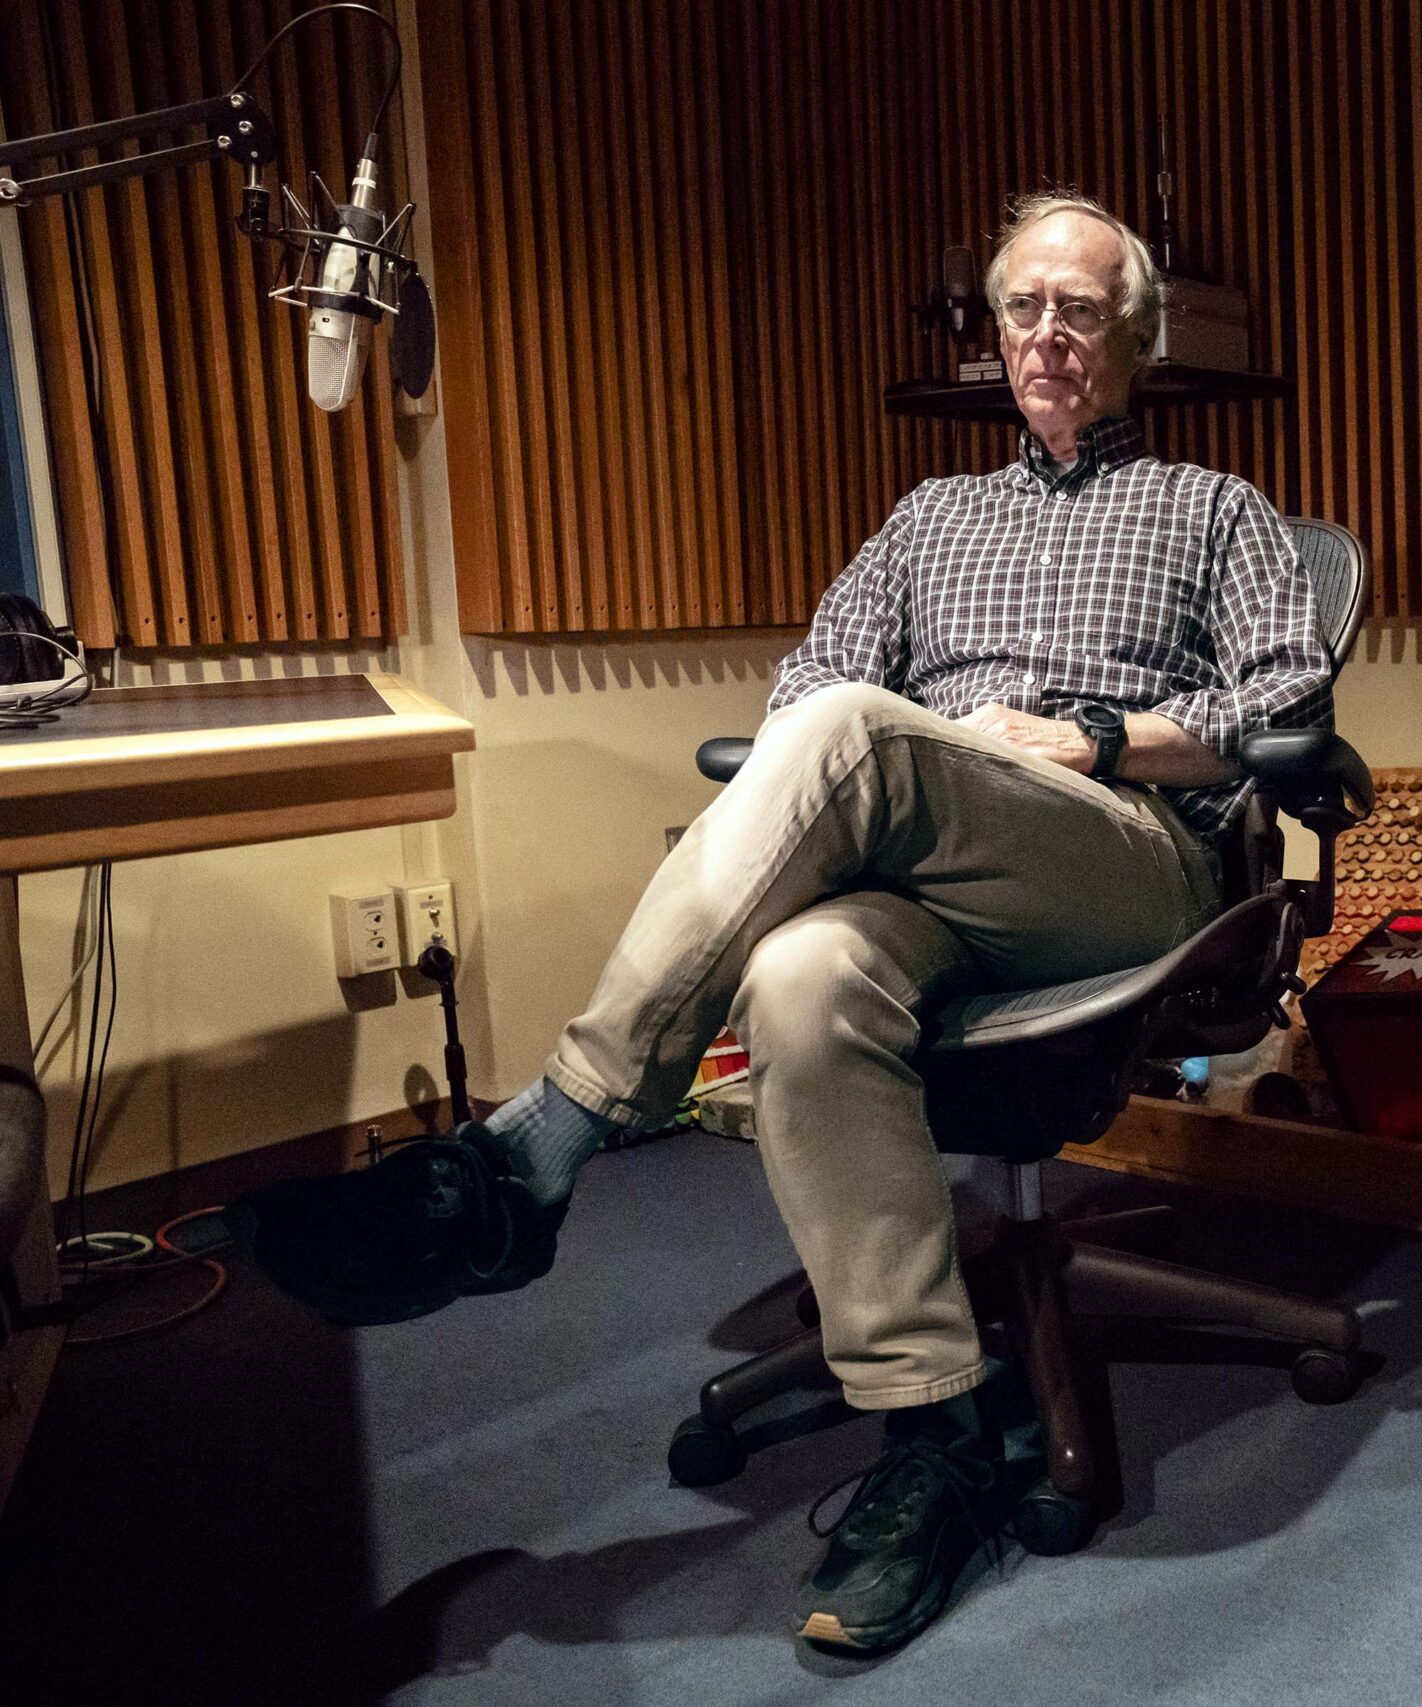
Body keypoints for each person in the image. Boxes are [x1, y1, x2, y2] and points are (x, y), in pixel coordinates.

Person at [229, 192, 1333, 1655]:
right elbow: (804, 689)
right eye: (1024, 307)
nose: (1049, 335)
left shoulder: (1215, 508)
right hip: (927, 858)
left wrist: (1093, 739)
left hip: (1126, 863)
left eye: (1079, 308)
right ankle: (931, 1439)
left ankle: (539, 1151)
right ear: (994, 334)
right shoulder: (928, 519)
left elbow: (1287, 707)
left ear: (1136, 334)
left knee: (857, 733)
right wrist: (894, 759)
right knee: (806, 976)